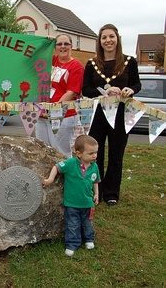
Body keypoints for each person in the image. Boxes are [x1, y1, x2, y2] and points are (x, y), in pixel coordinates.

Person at [82, 24, 141, 206]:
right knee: (94, 154)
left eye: (111, 37)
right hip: (98, 114)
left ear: (117, 39)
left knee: (116, 154)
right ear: (99, 42)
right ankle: (95, 189)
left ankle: (111, 193)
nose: (108, 40)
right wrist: (102, 94)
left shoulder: (129, 61)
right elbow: (86, 89)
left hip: (121, 114)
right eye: (104, 37)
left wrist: (129, 89)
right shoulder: (92, 64)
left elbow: (137, 84)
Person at [43, 135, 100, 256]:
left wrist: (96, 194)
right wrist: (50, 179)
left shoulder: (95, 167)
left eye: (95, 152)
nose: (94, 156)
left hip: (88, 202)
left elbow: (95, 181)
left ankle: (89, 239)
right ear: (79, 154)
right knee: (72, 225)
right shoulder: (71, 163)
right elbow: (56, 167)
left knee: (88, 223)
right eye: (90, 153)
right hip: (72, 203)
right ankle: (72, 244)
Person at [36, 34, 84, 158]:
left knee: (61, 152)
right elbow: (32, 57)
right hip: (42, 115)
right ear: (55, 47)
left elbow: (71, 92)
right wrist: (45, 43)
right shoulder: (50, 60)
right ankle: (48, 177)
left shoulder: (76, 66)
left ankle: (65, 177)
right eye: (59, 44)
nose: (63, 47)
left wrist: (53, 109)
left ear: (71, 46)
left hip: (63, 115)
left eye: (66, 44)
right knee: (42, 151)